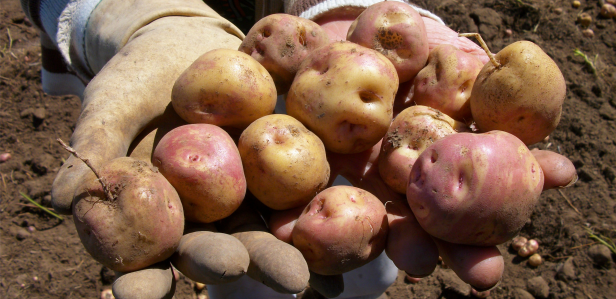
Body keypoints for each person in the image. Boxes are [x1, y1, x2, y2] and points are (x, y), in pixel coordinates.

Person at [19, 1, 577, 298]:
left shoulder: (399, 116)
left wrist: (339, 12)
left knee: (363, 256)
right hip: (236, 74)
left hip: (346, 168)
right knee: (251, 269)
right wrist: (130, 10)